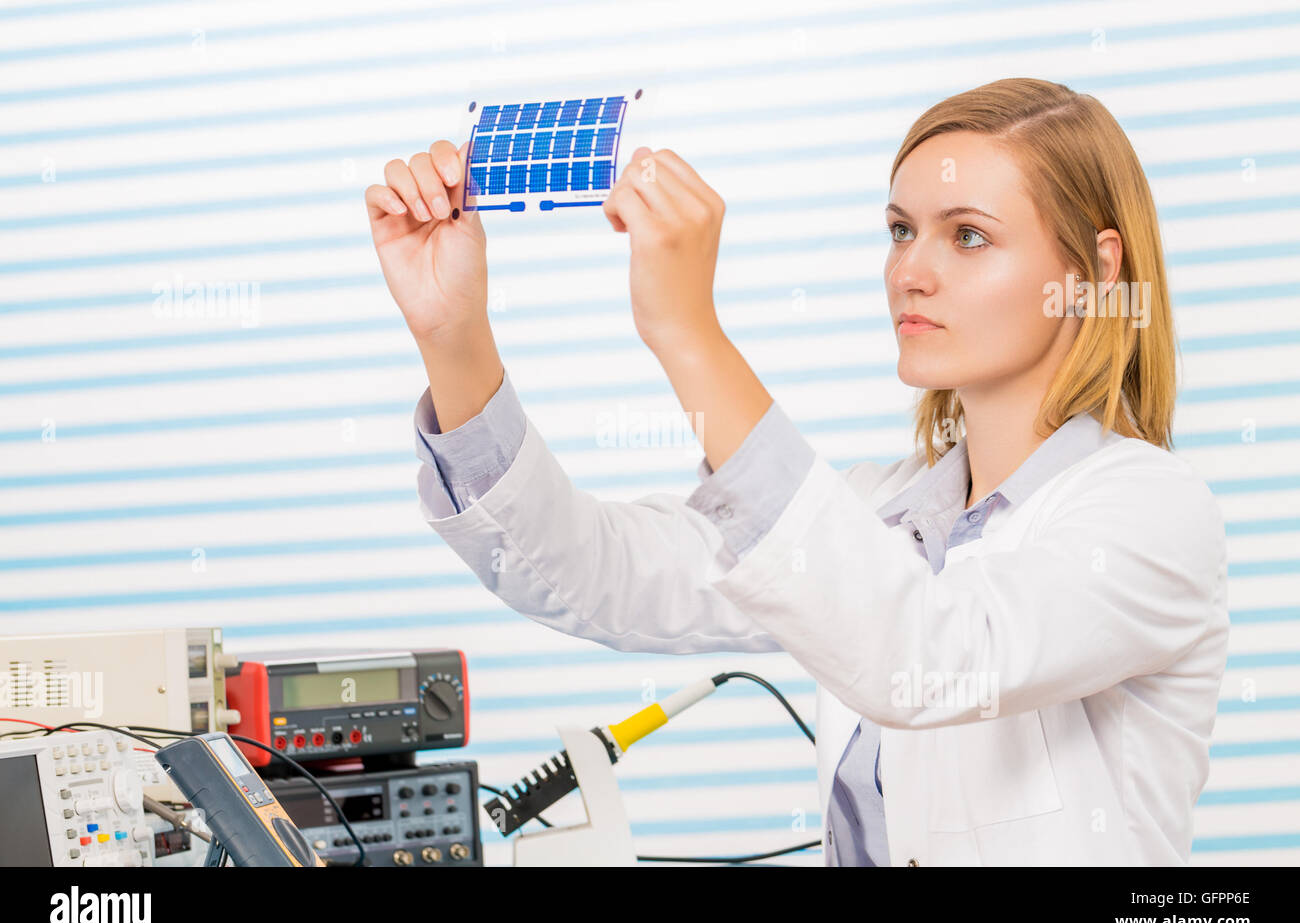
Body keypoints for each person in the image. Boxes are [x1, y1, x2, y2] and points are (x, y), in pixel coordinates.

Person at [363, 77, 1229, 866]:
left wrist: (689, 334)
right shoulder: (878, 510)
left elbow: (919, 655)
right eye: (901, 231)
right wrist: (452, 335)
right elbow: (593, 574)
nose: (911, 272)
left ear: (1095, 273)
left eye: (968, 236)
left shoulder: (1150, 513)